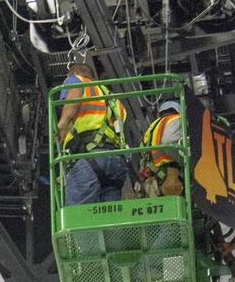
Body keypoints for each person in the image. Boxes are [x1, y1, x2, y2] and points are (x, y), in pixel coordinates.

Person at [55, 55, 128, 204]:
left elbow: (74, 93)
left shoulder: (76, 80)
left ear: (73, 74)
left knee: (78, 219)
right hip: (116, 163)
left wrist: (62, 125)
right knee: (110, 220)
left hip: (90, 157)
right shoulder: (113, 98)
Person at [140, 98, 184, 197]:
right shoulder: (177, 119)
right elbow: (170, 142)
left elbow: (142, 150)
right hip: (169, 175)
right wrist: (183, 162)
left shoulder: (152, 126)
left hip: (152, 179)